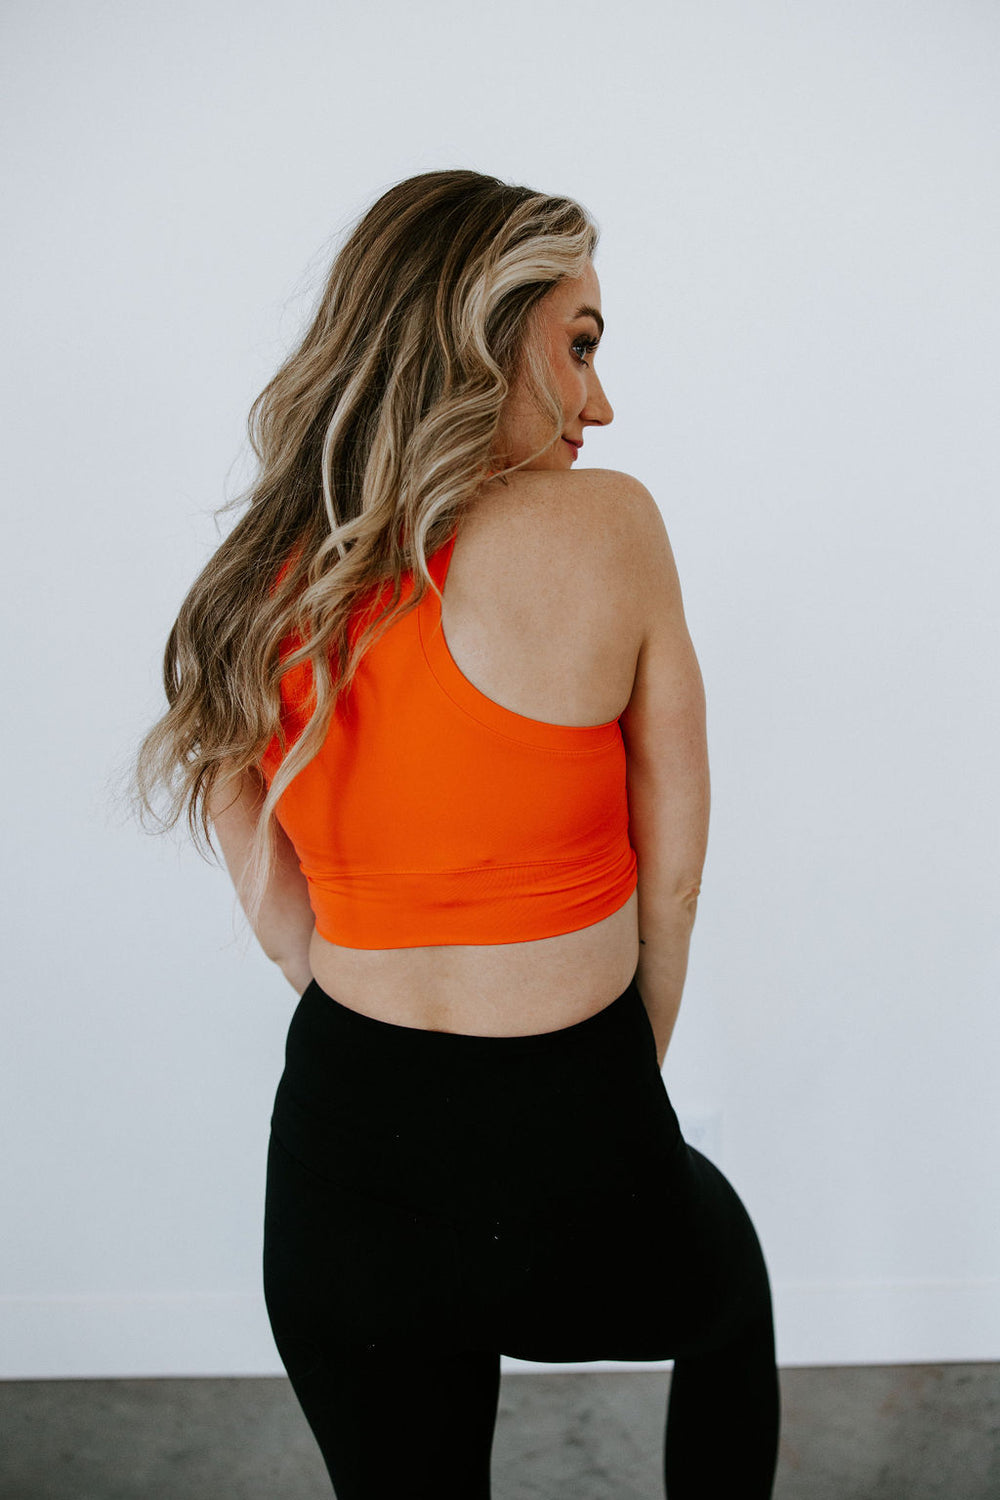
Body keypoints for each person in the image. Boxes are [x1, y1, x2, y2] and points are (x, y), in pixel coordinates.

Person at [134, 168, 780, 1499]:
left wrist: (379, 1028)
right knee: (729, 1297)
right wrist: (617, 1095)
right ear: (483, 335)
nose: (601, 401)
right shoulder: (611, 524)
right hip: (576, 1126)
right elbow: (674, 867)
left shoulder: (267, 570)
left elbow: (269, 887)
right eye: (581, 345)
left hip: (343, 1151)